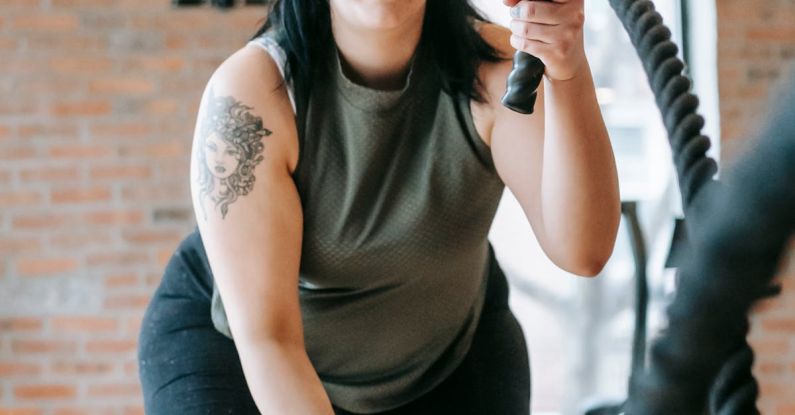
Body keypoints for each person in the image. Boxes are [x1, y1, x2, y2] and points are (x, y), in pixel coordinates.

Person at [137, 0, 621, 413]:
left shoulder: (497, 73)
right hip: (245, 350)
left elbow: (583, 250)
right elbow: (271, 340)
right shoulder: (251, 93)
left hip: (445, 348)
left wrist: (566, 67)